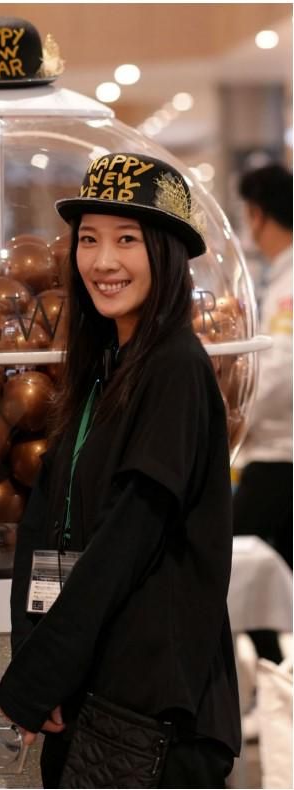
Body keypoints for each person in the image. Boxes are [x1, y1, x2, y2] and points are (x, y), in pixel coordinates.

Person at [0, 152, 241, 788]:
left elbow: (128, 536)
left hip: (150, 712)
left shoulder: (175, 367)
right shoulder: (106, 366)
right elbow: (47, 523)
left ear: (166, 252)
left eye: (127, 239)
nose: (103, 261)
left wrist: (41, 672)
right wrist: (37, 653)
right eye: (89, 239)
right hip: (95, 691)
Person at [234, 163, 292, 667]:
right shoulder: (279, 275)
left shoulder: (289, 282)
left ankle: (276, 671)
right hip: (273, 450)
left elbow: (280, 372)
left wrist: (235, 415)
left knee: (234, 557)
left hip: (279, 454)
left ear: (256, 214)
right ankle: (276, 671)